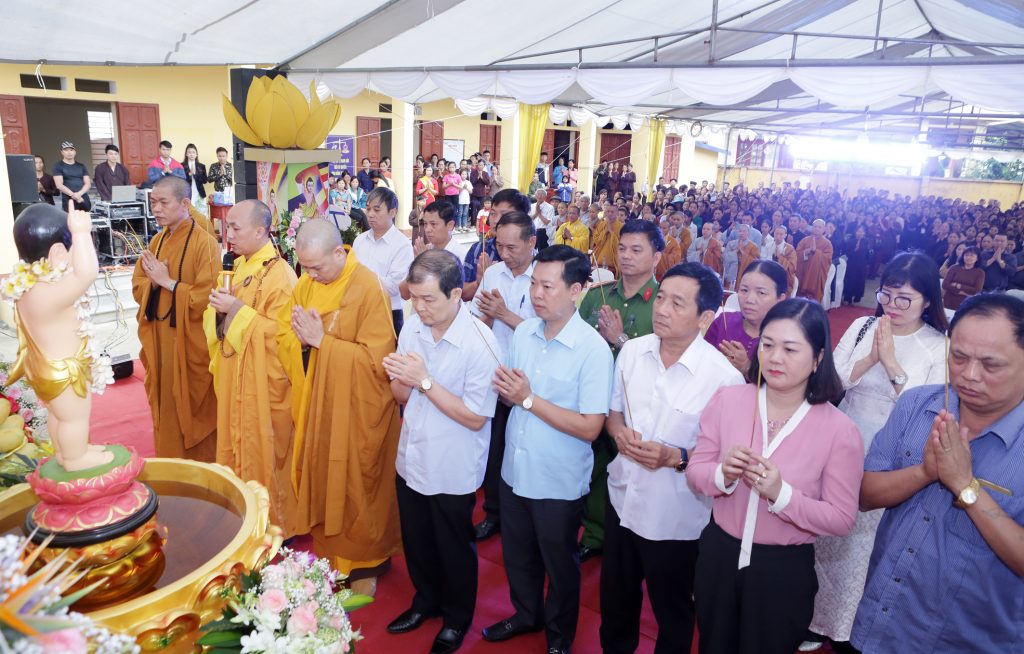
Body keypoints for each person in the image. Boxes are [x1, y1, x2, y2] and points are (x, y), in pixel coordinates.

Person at [687, 298, 863, 654]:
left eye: (790, 349)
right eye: (767, 345)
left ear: (818, 358)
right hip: (719, 554)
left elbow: (842, 519)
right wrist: (723, 473)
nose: (775, 358)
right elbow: (695, 472)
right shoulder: (729, 400)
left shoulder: (839, 430)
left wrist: (782, 495)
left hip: (781, 570)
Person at [851, 294, 1024, 653]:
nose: (969, 375)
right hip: (883, 621)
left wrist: (966, 485)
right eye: (958, 357)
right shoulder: (918, 404)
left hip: (968, 639)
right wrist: (925, 472)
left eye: (991, 365)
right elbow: (865, 496)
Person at [805, 252, 948, 652]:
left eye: (906, 298)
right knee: (829, 536)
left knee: (867, 544)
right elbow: (832, 382)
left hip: (896, 452)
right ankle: (816, 619)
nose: (894, 306)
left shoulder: (938, 346)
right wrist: (872, 355)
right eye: (888, 294)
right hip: (843, 439)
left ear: (927, 300)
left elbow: (928, 411)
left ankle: (854, 627)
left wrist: (891, 365)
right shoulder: (862, 324)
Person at [600, 262, 744, 654]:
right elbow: (614, 416)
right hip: (622, 499)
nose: (662, 309)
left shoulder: (723, 379)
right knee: (615, 605)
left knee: (674, 614)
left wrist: (675, 457)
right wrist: (619, 435)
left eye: (678, 303)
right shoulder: (631, 351)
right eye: (661, 297)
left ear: (705, 317)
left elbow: (727, 464)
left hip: (676, 519)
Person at [483, 245, 612, 654]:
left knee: (559, 565)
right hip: (515, 470)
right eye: (535, 284)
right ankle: (526, 614)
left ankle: (559, 636)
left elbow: (591, 428)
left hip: (557, 480)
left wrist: (526, 399)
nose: (537, 293)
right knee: (517, 556)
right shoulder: (524, 332)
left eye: (548, 286)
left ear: (576, 290)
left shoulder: (591, 349)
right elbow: (512, 395)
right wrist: (507, 392)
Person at [382, 250, 500, 654]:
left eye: (428, 299)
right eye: (414, 298)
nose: (419, 307)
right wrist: (400, 378)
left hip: (452, 465)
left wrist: (424, 381)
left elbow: (474, 417)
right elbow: (399, 393)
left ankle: (456, 618)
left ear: (456, 295)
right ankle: (425, 601)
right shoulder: (413, 327)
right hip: (412, 453)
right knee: (416, 542)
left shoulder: (481, 343)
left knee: (454, 549)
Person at [277, 218, 402, 595]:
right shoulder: (306, 284)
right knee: (324, 478)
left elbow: (379, 360)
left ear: (339, 251)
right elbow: (286, 333)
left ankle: (366, 561)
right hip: (320, 405)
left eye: (317, 266)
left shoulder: (367, 288)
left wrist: (322, 343)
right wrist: (302, 342)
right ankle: (333, 556)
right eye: (305, 267)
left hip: (359, 409)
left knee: (358, 482)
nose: (311, 275)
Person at [203, 200, 297, 531]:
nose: (228, 235)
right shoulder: (239, 268)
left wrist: (238, 311)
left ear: (260, 231)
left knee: (266, 453)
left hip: (263, 386)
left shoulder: (281, 276)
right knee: (232, 443)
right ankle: (241, 516)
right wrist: (219, 310)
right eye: (227, 227)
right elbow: (219, 326)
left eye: (235, 228)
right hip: (234, 378)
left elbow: (284, 338)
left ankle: (274, 525)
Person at [577, 220, 664, 562]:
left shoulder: (663, 301)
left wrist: (619, 340)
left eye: (636, 250)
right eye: (622, 249)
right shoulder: (600, 294)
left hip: (637, 408)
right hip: (593, 399)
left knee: (633, 475)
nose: (626, 256)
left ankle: (625, 541)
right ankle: (594, 533)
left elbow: (663, 358)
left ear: (657, 257)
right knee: (594, 470)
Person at [6, 204, 113, 471]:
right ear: (56, 253)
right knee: (74, 418)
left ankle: (67, 454)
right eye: (70, 250)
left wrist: (75, 239)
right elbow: (86, 273)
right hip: (64, 371)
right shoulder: (49, 293)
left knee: (59, 414)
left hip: (45, 368)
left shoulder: (29, 287)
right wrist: (81, 232)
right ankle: (76, 458)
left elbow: (76, 268)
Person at [131, 176, 220, 460]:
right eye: (153, 202)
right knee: (165, 407)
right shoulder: (157, 241)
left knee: (191, 413)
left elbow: (208, 298)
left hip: (188, 347)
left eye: (163, 203)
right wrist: (153, 283)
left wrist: (169, 283)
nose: (156, 209)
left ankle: (202, 478)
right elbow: (137, 286)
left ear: (184, 204)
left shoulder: (205, 244)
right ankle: (170, 466)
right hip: (160, 343)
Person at [469, 210, 538, 542]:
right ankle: (494, 513)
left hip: (530, 379)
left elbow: (546, 333)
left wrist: (504, 314)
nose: (505, 254)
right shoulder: (493, 274)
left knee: (525, 450)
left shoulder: (545, 279)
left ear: (532, 243)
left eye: (513, 247)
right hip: (494, 377)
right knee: (494, 450)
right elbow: (477, 320)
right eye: (500, 246)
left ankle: (527, 517)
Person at [705, 260, 788, 379]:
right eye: (744, 290)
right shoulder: (724, 322)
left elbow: (787, 389)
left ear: (780, 299)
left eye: (761, 293)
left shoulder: (788, 337)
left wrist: (747, 368)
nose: (749, 299)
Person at [352, 187, 414, 336]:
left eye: (377, 209)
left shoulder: (402, 245)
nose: (370, 214)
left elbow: (394, 286)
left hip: (388, 313)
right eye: (368, 209)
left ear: (392, 212)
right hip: (357, 310)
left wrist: (362, 277)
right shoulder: (360, 240)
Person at [796, 219, 834, 304]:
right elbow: (797, 254)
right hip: (803, 272)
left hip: (816, 275)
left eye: (819, 227)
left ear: (824, 229)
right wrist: (806, 252)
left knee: (813, 301)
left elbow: (828, 259)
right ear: (812, 228)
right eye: (815, 226)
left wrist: (815, 252)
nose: (817, 229)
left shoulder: (827, 243)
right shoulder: (805, 240)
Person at [51, 141, 92, 211]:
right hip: (68, 199)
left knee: (85, 219)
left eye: (71, 150)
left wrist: (79, 194)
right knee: (71, 220)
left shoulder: (81, 166)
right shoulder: (58, 166)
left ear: (75, 151)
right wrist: (74, 195)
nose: (69, 152)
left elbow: (88, 184)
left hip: (83, 198)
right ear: (62, 152)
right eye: (66, 150)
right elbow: (59, 185)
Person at [942, 246, 985, 310]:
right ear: (963, 256)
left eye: (972, 255)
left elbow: (977, 290)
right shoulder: (954, 268)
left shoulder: (980, 272)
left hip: (967, 303)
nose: (968, 257)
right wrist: (961, 292)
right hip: (949, 299)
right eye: (966, 255)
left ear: (977, 258)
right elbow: (945, 284)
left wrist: (958, 285)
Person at [842, 225, 871, 305]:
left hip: (862, 265)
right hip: (852, 264)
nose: (860, 233)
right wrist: (855, 250)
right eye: (858, 231)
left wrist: (868, 263)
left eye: (861, 231)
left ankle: (856, 299)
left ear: (864, 233)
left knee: (859, 281)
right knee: (850, 281)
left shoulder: (867, 242)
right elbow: (847, 253)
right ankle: (847, 298)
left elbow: (869, 255)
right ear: (855, 232)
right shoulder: (851, 241)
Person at [183, 143, 208, 213]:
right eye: (189, 152)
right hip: (186, 193)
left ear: (196, 154)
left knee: (201, 213)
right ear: (186, 154)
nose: (191, 154)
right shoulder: (182, 165)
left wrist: (195, 174)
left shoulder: (201, 166)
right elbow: (181, 181)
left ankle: (201, 224)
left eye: (193, 152)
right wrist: (190, 174)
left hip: (199, 193)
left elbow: (205, 181)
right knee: (188, 213)